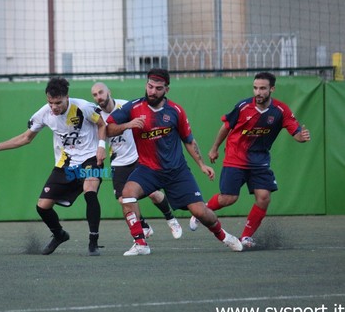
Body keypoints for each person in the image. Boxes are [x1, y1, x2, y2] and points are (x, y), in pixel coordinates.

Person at [106, 68, 243, 256]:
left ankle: (224, 236)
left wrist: (202, 165)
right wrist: (127, 125)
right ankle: (140, 243)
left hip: (177, 172)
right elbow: (109, 128)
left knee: (202, 213)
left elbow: (189, 141)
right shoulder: (133, 107)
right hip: (148, 169)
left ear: (166, 90)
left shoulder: (176, 111)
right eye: (150, 86)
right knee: (127, 194)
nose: (152, 91)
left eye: (158, 88)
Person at [0, 77, 107, 256]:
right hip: (66, 164)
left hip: (91, 158)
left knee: (90, 191)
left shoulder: (83, 107)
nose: (54, 107)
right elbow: (26, 138)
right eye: (50, 102)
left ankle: (93, 242)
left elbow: (102, 124)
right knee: (42, 206)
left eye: (58, 103)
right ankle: (59, 234)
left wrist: (101, 146)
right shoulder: (44, 113)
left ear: (67, 97)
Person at [190, 72, 311, 249]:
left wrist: (301, 136)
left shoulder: (281, 110)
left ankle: (245, 237)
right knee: (228, 199)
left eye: (262, 88)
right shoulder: (243, 106)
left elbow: (296, 132)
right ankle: (202, 212)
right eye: (255, 88)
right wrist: (214, 148)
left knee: (264, 198)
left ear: (272, 89)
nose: (258, 92)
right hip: (235, 158)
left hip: (259, 161)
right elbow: (226, 127)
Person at [91, 82, 182, 239]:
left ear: (109, 91)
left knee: (153, 193)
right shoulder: (96, 116)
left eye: (101, 92)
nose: (99, 97)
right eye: (95, 95)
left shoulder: (126, 106)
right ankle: (144, 226)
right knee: (123, 200)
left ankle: (171, 219)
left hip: (138, 157)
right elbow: (101, 135)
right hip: (118, 161)